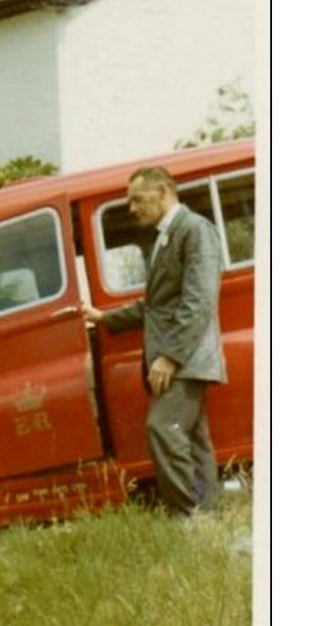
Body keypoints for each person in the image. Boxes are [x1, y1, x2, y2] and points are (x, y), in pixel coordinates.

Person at [82, 165, 226, 517]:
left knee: (163, 428)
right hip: (183, 358)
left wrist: (171, 357)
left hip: (186, 359)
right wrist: (104, 318)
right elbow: (158, 304)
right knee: (193, 439)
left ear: (163, 190)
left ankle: (188, 515)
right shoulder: (168, 234)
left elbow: (199, 300)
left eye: (137, 199)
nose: (131, 209)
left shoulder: (194, 230)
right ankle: (206, 515)